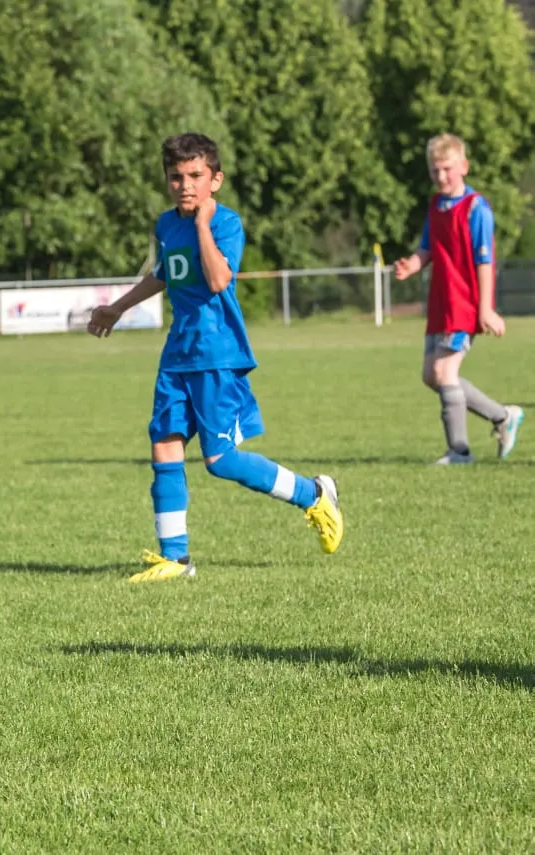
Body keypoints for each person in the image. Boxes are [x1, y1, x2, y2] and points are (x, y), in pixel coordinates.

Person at [86, 132, 343, 582]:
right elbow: (164, 274)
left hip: (217, 354)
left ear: (215, 180)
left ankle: (314, 494)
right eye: (176, 177)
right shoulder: (166, 225)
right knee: (164, 444)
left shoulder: (226, 223)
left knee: (220, 461)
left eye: (195, 175)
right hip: (177, 354)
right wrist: (118, 307)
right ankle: (175, 558)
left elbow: (219, 279)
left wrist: (203, 225)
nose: (185, 185)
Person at [393, 133, 523, 464]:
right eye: (435, 170)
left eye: (447, 169)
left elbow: (485, 261)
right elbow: (427, 248)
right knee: (431, 376)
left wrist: (486, 308)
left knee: (444, 372)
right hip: (441, 303)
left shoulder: (476, 208)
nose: (441, 176)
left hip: (464, 305)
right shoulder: (436, 205)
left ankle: (460, 450)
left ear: (464, 166)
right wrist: (412, 264)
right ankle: (502, 416)